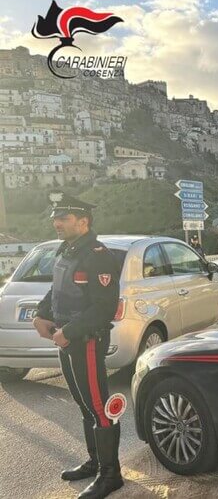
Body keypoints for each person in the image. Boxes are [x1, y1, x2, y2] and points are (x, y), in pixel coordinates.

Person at [32, 192, 123, 499]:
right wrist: (41, 315)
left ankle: (111, 475)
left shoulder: (98, 255)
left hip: (86, 340)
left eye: (63, 218)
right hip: (67, 337)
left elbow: (104, 307)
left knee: (98, 407)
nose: (56, 223)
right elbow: (57, 289)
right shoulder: (68, 250)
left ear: (83, 222)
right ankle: (96, 461)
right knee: (84, 405)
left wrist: (68, 330)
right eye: (55, 218)